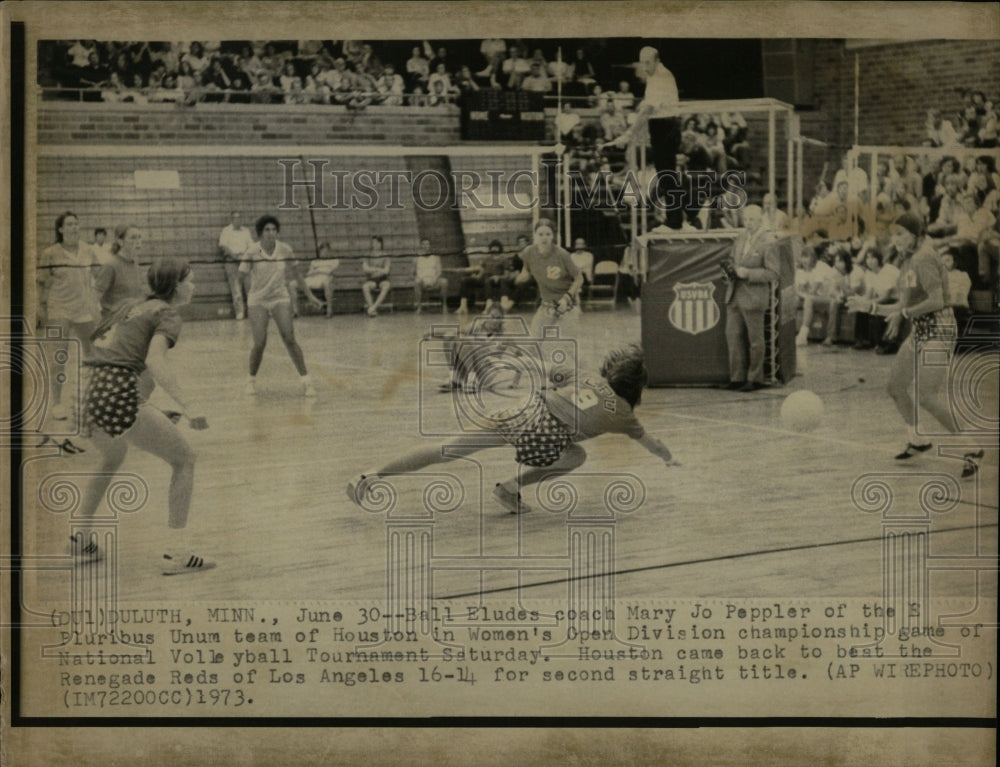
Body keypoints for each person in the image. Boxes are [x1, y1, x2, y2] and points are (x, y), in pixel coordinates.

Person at [348, 345, 678, 515]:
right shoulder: (624, 416)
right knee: (576, 456)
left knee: (446, 450)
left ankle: (370, 476)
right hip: (544, 437)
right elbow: (653, 443)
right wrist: (668, 459)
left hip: (522, 411)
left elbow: (539, 366)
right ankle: (510, 486)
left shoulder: (585, 376)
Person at [73, 259, 216, 574]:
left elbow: (109, 350)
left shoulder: (130, 307)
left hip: (91, 391)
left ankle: (79, 539)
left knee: (113, 456)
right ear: (176, 285)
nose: (194, 286)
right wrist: (189, 405)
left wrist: (147, 408)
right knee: (185, 460)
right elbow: (154, 361)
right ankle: (176, 554)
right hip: (119, 395)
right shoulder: (167, 313)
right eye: (190, 280)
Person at [846, 213, 981, 478]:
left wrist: (904, 315)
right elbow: (903, 306)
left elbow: (937, 299)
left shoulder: (924, 257)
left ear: (916, 235)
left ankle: (971, 447)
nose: (895, 240)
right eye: (893, 235)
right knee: (895, 387)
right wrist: (870, 306)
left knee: (927, 396)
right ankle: (917, 439)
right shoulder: (907, 261)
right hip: (921, 329)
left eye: (901, 235)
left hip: (940, 329)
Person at [240, 215, 321, 396]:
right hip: (258, 300)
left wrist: (310, 295)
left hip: (279, 297)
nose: (271, 233)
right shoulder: (253, 251)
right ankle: (250, 380)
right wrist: (249, 298)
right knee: (260, 342)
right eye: (267, 230)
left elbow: (297, 275)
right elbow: (242, 275)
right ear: (260, 233)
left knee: (289, 337)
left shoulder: (285, 249)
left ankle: (307, 382)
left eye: (274, 230)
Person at [605, 46, 682, 227]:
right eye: (643, 63)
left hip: (666, 125)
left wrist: (629, 133)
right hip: (660, 125)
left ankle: (676, 222)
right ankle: (676, 219)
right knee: (665, 176)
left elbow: (648, 109)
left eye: (648, 62)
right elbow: (647, 106)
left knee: (667, 177)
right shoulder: (654, 76)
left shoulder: (661, 77)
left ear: (657, 60)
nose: (645, 66)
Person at [37, 212, 100, 423]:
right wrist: (40, 307)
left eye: (76, 224)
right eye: (69, 224)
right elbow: (41, 282)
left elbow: (100, 276)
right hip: (59, 309)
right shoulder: (50, 253)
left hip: (84, 310)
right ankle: (57, 403)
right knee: (59, 357)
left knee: (93, 355)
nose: (74, 228)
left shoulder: (88, 250)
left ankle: (93, 398)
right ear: (61, 229)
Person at [723, 205, 780, 391]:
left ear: (760, 220)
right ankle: (737, 377)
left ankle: (755, 378)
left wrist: (748, 273)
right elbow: (732, 259)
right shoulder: (739, 238)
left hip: (754, 297)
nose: (749, 224)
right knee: (733, 337)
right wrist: (729, 271)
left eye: (752, 220)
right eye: (746, 220)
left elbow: (773, 273)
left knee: (755, 340)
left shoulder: (768, 242)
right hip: (734, 295)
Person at [514, 219, 583, 338]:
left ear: (553, 236)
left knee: (568, 347)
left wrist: (567, 298)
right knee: (532, 343)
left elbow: (579, 278)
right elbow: (526, 268)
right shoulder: (529, 252)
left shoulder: (562, 254)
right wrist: (523, 276)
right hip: (546, 305)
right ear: (535, 235)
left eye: (548, 234)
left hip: (567, 306)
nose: (544, 238)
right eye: (540, 234)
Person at [94, 224, 147, 319]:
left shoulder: (136, 265)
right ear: (120, 241)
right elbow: (94, 298)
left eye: (139, 237)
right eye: (133, 238)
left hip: (133, 321)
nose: (138, 242)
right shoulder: (110, 266)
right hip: (114, 323)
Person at [218, 210, 254, 319]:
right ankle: (239, 312)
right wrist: (235, 257)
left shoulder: (246, 231)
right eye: (236, 218)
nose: (238, 220)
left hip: (245, 260)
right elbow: (223, 246)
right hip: (231, 261)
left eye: (240, 218)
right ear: (232, 219)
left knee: (250, 287)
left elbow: (251, 245)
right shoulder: (226, 231)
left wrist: (245, 257)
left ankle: (252, 311)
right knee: (235, 288)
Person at [303, 242, 340, 318]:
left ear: (329, 252)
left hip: (326, 278)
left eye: (326, 251)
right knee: (294, 284)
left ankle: (329, 310)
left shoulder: (334, 261)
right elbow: (308, 273)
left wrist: (318, 271)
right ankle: (295, 311)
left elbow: (330, 272)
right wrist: (314, 272)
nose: (324, 253)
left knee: (327, 283)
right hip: (313, 278)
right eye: (322, 251)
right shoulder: (314, 261)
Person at [413, 238, 449, 314]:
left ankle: (444, 305)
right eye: (423, 244)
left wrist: (435, 279)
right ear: (421, 246)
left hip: (434, 280)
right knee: (416, 282)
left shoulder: (436, 257)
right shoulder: (416, 258)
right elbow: (414, 272)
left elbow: (439, 271)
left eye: (427, 244)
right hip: (422, 281)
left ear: (430, 246)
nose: (425, 246)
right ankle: (419, 307)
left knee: (444, 282)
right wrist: (421, 279)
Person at [362, 235, 392, 316]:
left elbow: (386, 271)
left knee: (386, 286)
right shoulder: (368, 255)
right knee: (365, 287)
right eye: (374, 243)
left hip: (382, 279)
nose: (375, 244)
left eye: (377, 243)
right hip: (372, 279)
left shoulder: (385, 255)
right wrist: (378, 269)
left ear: (381, 244)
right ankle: (372, 309)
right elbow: (365, 269)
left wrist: (372, 269)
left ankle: (373, 308)